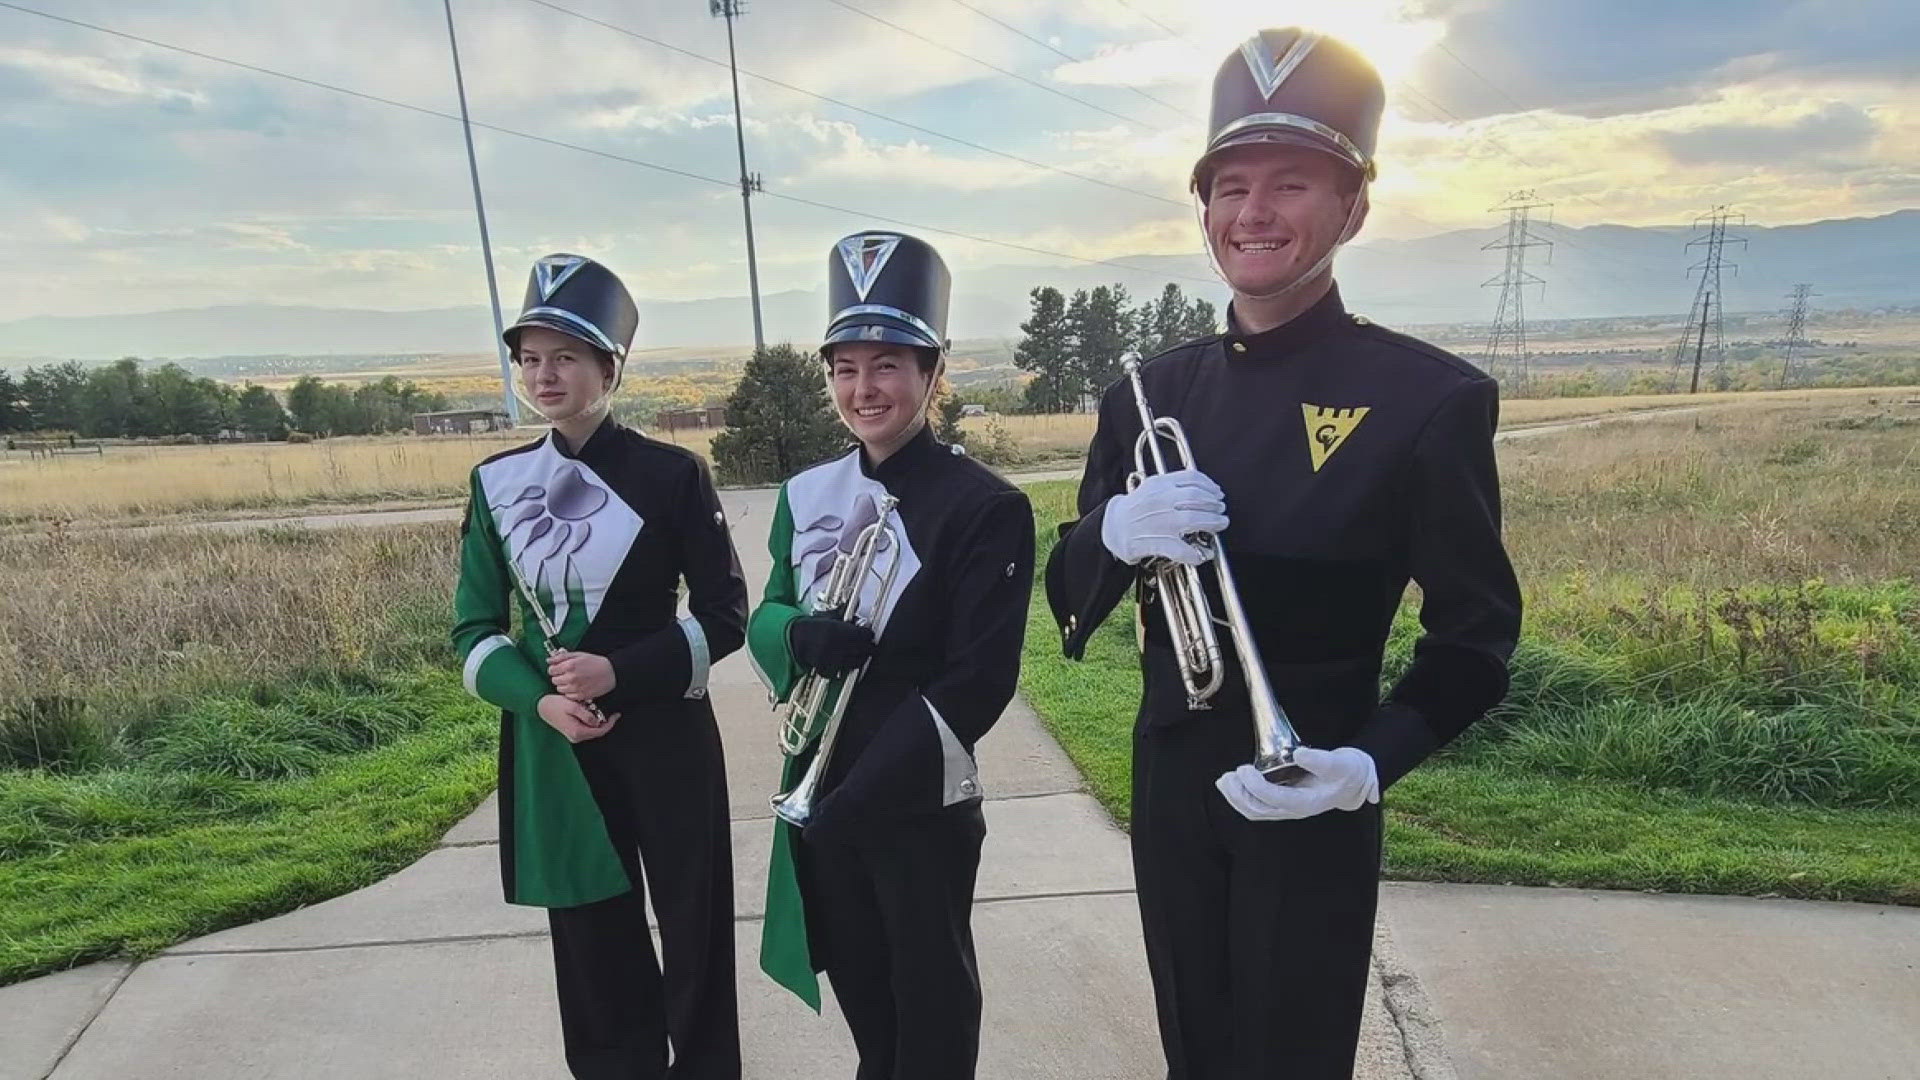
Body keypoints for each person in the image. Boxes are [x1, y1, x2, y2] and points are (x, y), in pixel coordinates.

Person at [1044, 29, 1523, 1079]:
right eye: (1230, 185)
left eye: (1292, 183)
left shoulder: (1427, 399)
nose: (1252, 212)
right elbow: (1069, 583)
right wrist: (1114, 536)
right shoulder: (1149, 395)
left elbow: (1476, 637)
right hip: (1171, 777)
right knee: (1194, 1045)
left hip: (1314, 779)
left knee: (1293, 1055)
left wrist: (1369, 766)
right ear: (1205, 208)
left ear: (1353, 206)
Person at [451, 253, 748, 1079]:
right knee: (590, 938)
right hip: (558, 747)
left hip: (667, 734)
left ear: (609, 367)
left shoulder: (674, 473)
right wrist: (539, 702)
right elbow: (474, 630)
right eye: (530, 357)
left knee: (694, 927)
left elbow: (725, 615)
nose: (544, 374)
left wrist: (621, 672)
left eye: (567, 356)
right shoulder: (496, 482)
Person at [750, 231, 1035, 1080]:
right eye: (845, 367)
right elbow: (766, 610)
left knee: (933, 1020)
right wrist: (795, 636)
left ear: (931, 372)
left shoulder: (985, 506)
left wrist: (860, 800)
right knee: (872, 1016)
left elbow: (979, 681)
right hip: (826, 789)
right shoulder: (808, 494)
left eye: (886, 365)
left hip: (917, 803)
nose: (862, 388)